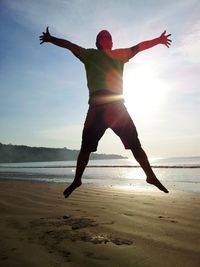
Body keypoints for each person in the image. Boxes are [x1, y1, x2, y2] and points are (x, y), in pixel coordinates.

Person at [40, 27, 171, 198]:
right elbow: (69, 45)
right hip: (96, 108)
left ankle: (150, 176)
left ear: (111, 42)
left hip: (117, 107)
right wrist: (51, 39)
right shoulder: (89, 55)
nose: (105, 37)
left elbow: (139, 47)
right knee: (85, 148)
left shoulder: (120, 54)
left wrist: (158, 40)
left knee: (135, 145)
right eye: (102, 36)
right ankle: (77, 180)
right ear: (97, 42)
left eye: (108, 36)